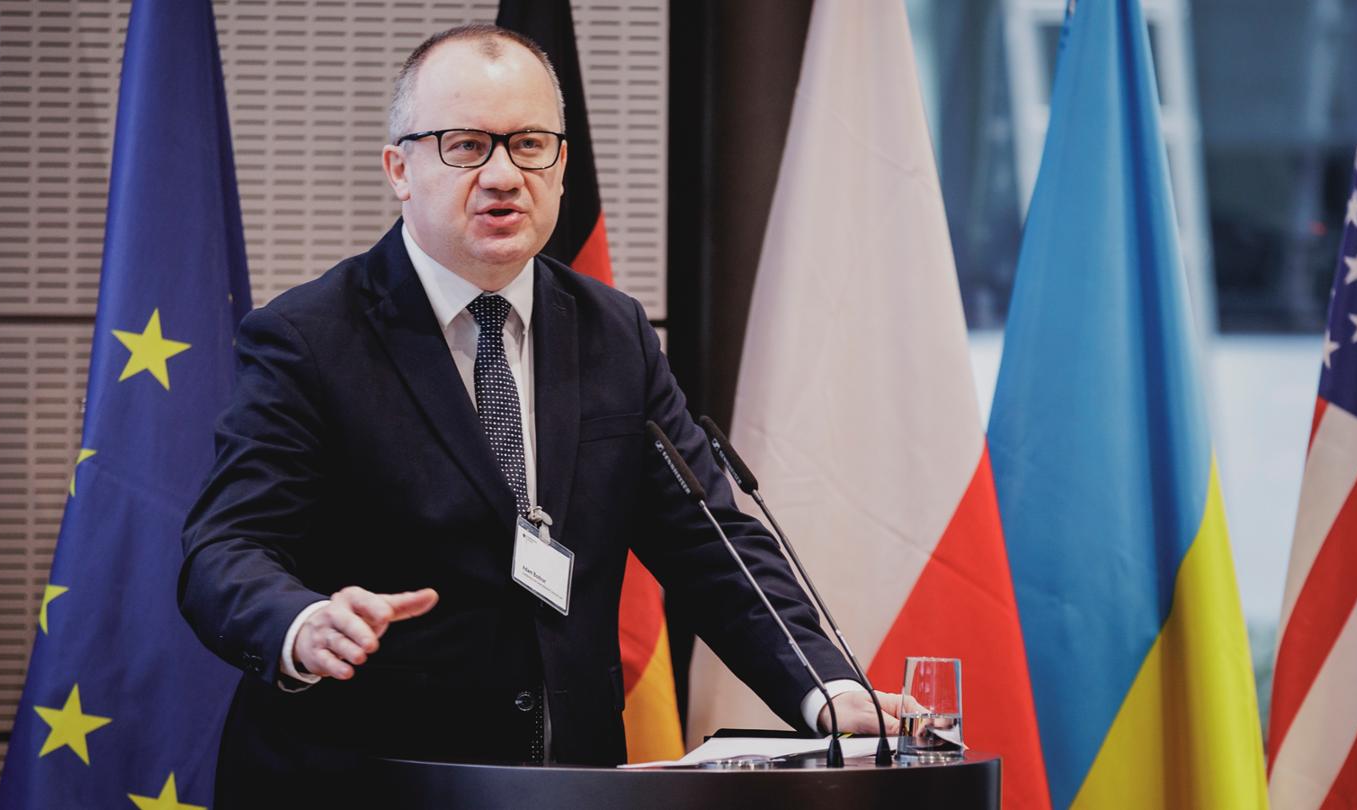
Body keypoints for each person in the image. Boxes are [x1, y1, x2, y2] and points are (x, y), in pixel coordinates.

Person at [177, 24, 900, 800]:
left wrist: (824, 686)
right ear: (399, 168)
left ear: (561, 166)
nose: (501, 175)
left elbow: (710, 540)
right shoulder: (308, 339)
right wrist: (301, 622)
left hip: (569, 782)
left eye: (529, 145)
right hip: (369, 782)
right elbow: (225, 548)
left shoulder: (614, 332)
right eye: (464, 145)